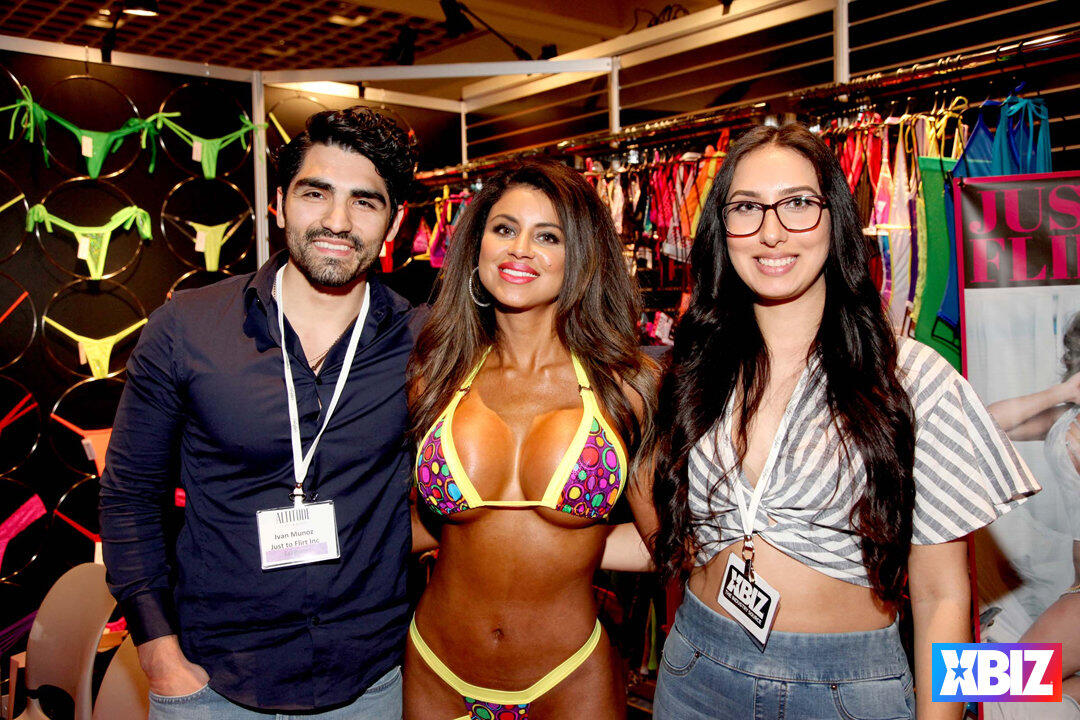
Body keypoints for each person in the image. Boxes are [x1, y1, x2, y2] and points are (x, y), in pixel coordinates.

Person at [643, 123, 1040, 720]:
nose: (771, 231)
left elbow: (942, 596)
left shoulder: (912, 379)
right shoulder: (695, 369)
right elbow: (672, 534)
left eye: (798, 203)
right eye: (746, 207)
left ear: (836, 219)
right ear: (721, 230)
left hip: (845, 690)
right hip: (695, 670)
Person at [100, 107, 417, 718]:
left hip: (371, 686)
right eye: (315, 193)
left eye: (364, 202)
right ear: (278, 204)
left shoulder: (425, 342)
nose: (337, 221)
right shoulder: (187, 327)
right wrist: (160, 656)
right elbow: (129, 495)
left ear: (395, 222)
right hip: (212, 686)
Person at [404, 160, 655, 719]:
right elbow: (410, 522)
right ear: (477, 246)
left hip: (569, 678)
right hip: (436, 668)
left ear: (581, 255)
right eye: (504, 229)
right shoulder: (434, 375)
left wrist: (575, 545)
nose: (520, 249)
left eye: (548, 236)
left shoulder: (628, 386)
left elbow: (663, 543)